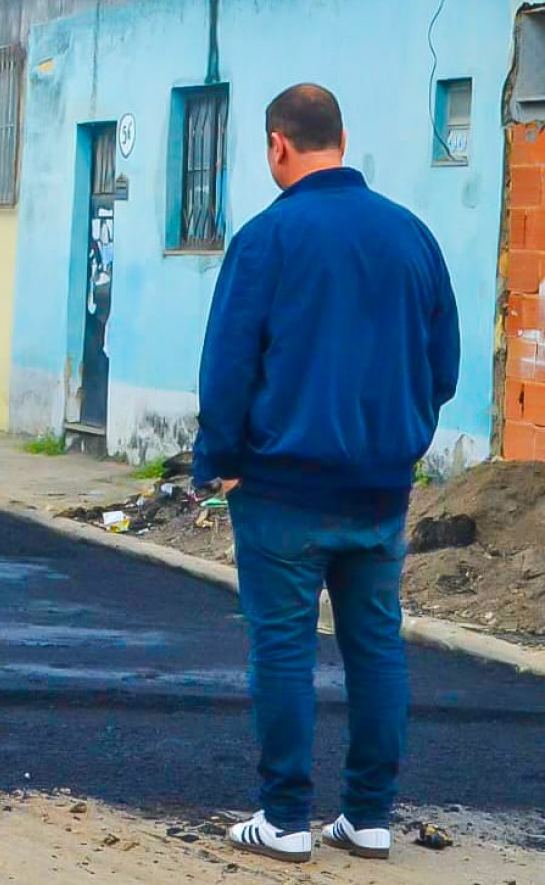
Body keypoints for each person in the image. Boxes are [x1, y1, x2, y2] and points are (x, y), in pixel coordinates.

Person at [195, 84, 459, 865]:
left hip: (281, 490)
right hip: (381, 490)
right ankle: (370, 817)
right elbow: (440, 366)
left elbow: (230, 366)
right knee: (376, 646)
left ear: (279, 145)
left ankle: (285, 819)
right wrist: (398, 441)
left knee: (281, 647)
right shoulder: (413, 236)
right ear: (340, 138)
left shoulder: (267, 238)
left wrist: (220, 462)